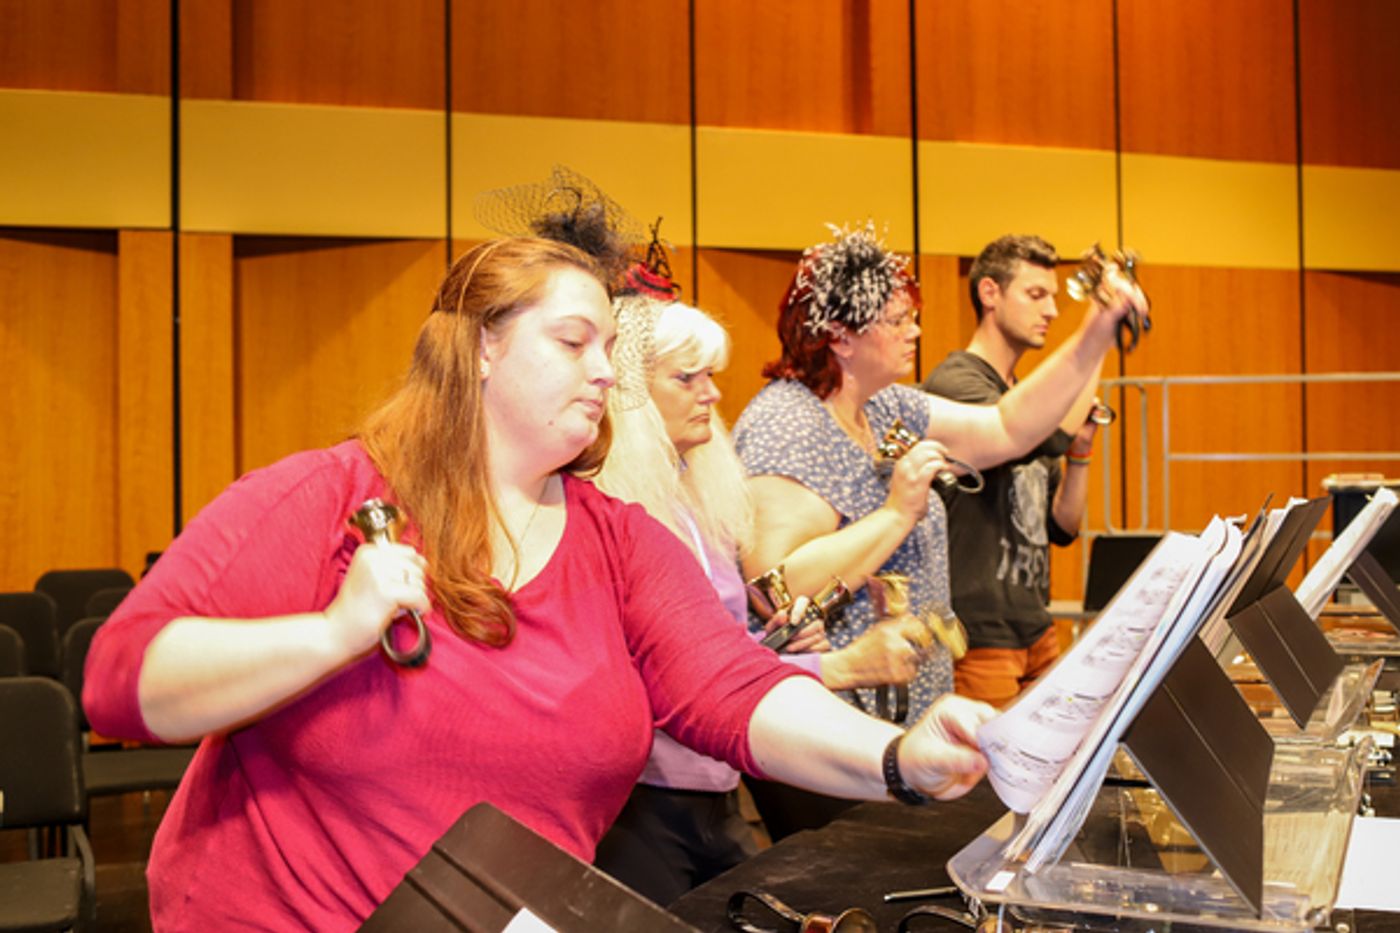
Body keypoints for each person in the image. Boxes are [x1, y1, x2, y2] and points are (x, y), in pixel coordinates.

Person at [83, 237, 996, 932]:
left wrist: (899, 757)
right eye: (573, 341)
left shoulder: (620, 543)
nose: (606, 369)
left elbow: (735, 693)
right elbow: (124, 681)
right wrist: (330, 633)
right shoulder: (329, 495)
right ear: (480, 349)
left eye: (609, 343)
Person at [590, 293, 939, 902]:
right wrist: (834, 666)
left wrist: (773, 647)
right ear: (630, 393)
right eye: (687, 378)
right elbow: (671, 679)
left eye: (711, 376)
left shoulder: (690, 499)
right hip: (642, 800)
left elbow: (717, 653)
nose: (712, 394)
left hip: (716, 788)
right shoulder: (616, 518)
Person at [734, 221, 1146, 727]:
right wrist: (895, 514)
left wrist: (1095, 334)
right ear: (841, 338)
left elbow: (1008, 427)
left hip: (908, 708)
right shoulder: (788, 423)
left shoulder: (886, 406)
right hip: (839, 721)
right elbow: (775, 588)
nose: (915, 331)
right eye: (897, 321)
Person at [922, 235, 1100, 707]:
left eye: (1055, 297)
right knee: (986, 779)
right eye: (1035, 295)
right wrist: (1100, 331)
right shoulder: (956, 383)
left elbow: (1062, 527)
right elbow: (1034, 436)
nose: (1052, 311)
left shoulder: (1026, 399)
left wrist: (1080, 454)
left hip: (1035, 628)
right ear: (989, 294)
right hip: (980, 638)